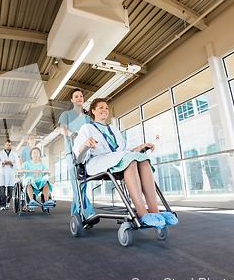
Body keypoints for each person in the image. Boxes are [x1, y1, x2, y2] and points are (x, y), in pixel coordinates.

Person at [73, 98, 178, 229]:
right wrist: (85, 145)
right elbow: (79, 154)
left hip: (117, 158)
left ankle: (155, 211)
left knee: (142, 159)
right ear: (93, 111)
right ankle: (142, 212)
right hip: (97, 161)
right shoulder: (87, 128)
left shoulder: (113, 129)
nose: (105, 110)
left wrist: (140, 147)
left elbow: (124, 148)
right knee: (130, 159)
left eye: (106, 108)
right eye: (101, 107)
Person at [58, 88, 96, 218]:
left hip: (85, 152)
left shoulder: (87, 117)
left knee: (83, 182)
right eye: (76, 96)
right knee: (76, 181)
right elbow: (62, 129)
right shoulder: (66, 114)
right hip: (71, 152)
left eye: (81, 96)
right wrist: (70, 133)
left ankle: (76, 215)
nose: (79, 98)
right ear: (72, 100)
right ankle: (87, 212)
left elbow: (93, 131)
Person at [0, 139, 19, 210]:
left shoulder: (14, 154)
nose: (8, 146)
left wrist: (12, 164)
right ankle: (2, 205)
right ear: (5, 145)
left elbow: (17, 164)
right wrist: (2, 162)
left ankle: (8, 202)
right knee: (2, 191)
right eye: (7, 145)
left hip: (10, 174)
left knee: (10, 191)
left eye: (10, 145)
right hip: (2, 174)